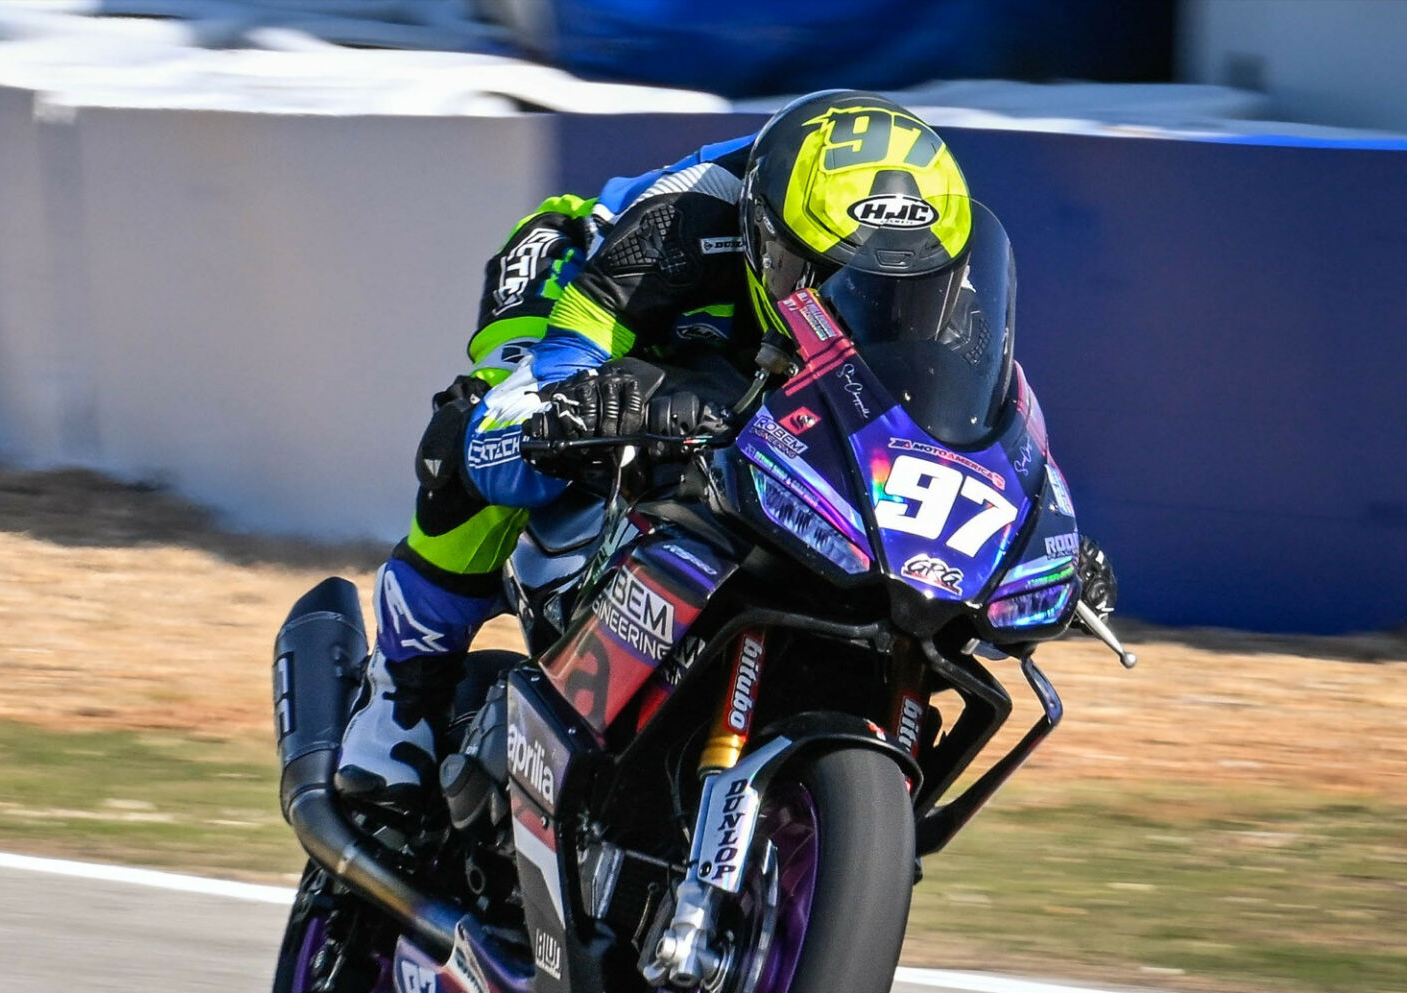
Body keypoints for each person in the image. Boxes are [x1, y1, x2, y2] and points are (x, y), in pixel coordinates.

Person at [336, 90, 978, 802]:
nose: (866, 306)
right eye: (833, 282)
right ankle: (401, 693)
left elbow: (961, 426)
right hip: (586, 278)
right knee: (490, 439)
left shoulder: (936, 268)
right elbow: (547, 383)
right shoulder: (681, 219)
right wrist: (580, 408)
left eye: (899, 288)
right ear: (771, 239)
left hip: (741, 363)